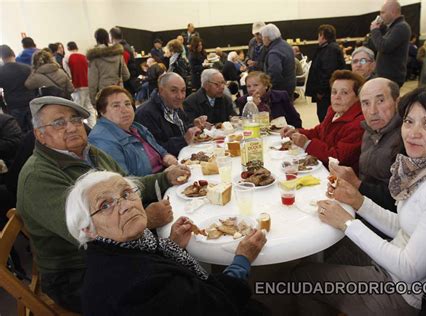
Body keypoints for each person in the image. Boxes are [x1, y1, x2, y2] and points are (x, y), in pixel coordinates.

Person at [292, 85, 426, 315]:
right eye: (409, 122)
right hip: (392, 261)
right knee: (327, 248)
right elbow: (405, 226)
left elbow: (410, 270)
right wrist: (359, 202)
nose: (413, 133)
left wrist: (348, 223)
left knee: (301, 277)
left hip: (404, 294)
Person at [16, 96, 190, 312]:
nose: (71, 127)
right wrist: (147, 219)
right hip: (77, 272)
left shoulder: (89, 153)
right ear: (40, 134)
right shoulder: (39, 177)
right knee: (173, 290)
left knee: (184, 258)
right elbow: (84, 233)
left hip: (116, 253)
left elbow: (127, 183)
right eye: (59, 123)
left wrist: (165, 177)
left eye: (76, 120)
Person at [65, 170, 268, 315]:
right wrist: (241, 262)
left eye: (126, 193)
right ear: (87, 229)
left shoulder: (114, 250)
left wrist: (172, 245)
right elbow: (218, 305)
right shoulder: (134, 284)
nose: (125, 205)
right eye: (106, 204)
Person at [330, 78, 402, 212]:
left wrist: (357, 184)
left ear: (397, 102)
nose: (372, 111)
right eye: (366, 103)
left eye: (380, 101)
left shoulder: (407, 139)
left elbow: (398, 201)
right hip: (363, 205)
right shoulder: (369, 131)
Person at [281, 70, 365, 173]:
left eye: (344, 93)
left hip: (337, 176)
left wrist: (307, 144)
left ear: (358, 97)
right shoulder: (333, 111)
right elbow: (319, 131)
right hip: (322, 166)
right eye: (334, 92)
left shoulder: (358, 123)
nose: (337, 97)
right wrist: (296, 132)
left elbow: (338, 158)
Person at [89, 86, 178, 176]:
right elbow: (124, 181)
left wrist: (167, 157)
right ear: (102, 112)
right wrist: (164, 178)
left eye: (127, 104)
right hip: (150, 187)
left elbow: (160, 150)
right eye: (116, 105)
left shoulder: (136, 127)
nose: (125, 110)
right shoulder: (101, 139)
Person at [135, 72, 201, 157]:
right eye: (174, 90)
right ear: (161, 91)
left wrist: (194, 127)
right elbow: (156, 151)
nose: (180, 96)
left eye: (183, 90)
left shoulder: (173, 105)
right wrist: (184, 140)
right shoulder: (145, 114)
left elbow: (181, 131)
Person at [305, 24, 345, 122]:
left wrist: (321, 91)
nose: (318, 38)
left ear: (322, 35)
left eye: (319, 35)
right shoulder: (327, 48)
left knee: (325, 117)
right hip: (326, 92)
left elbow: (328, 72)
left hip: (326, 93)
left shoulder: (330, 50)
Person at [236, 71, 302, 128]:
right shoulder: (243, 100)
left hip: (281, 133)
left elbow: (295, 119)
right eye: (248, 86)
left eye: (256, 85)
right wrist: (253, 106)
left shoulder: (281, 96)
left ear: (266, 86)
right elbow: (243, 125)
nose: (252, 89)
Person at [369, 0, 412, 87]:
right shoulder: (394, 27)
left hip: (391, 77)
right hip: (387, 76)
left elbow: (384, 47)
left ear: (393, 12)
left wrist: (375, 30)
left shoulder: (401, 27)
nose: (380, 16)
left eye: (383, 12)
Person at [87, 28, 130, 106]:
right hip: (119, 89)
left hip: (104, 94)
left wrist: (93, 100)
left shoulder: (94, 57)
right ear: (108, 38)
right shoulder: (118, 54)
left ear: (96, 39)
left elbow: (92, 82)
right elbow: (126, 75)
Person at [0, 44, 35, 132]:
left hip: (13, 104)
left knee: (20, 130)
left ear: (2, 57)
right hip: (30, 101)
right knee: (35, 127)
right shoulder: (27, 68)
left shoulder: (1, 72)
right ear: (13, 54)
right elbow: (33, 84)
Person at [63, 41, 96, 127]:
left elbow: (67, 73)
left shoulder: (67, 57)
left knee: (77, 109)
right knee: (90, 108)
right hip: (87, 84)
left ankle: (80, 127)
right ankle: (93, 126)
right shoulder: (84, 56)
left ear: (68, 48)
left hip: (76, 86)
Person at [260, 24, 295, 101]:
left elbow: (274, 73)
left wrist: (267, 88)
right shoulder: (286, 45)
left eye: (263, 37)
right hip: (290, 86)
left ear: (267, 38)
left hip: (279, 90)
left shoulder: (274, 52)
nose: (262, 39)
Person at [110, 27, 140, 95]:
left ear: (111, 37)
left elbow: (122, 68)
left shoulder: (120, 49)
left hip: (127, 81)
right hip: (130, 78)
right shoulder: (126, 45)